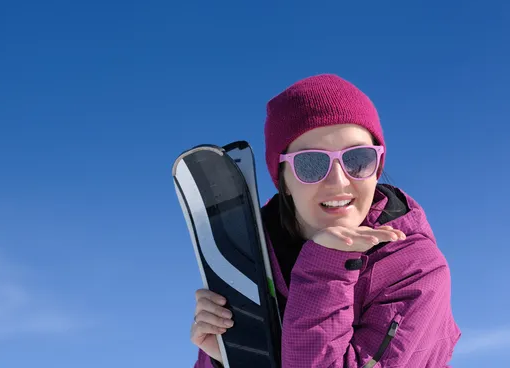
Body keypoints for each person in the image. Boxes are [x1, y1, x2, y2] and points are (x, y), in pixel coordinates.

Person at [190, 74, 461, 367]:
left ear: (378, 167)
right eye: (311, 163)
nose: (339, 180)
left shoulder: (417, 272)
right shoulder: (251, 265)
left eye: (358, 158)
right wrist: (227, 358)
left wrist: (327, 265)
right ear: (284, 181)